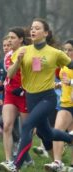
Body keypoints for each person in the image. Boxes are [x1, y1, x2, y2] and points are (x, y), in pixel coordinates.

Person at [0, 18, 73, 172]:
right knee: (46, 133)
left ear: (45, 33)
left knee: (27, 126)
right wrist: (18, 61)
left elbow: (70, 65)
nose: (33, 31)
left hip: (47, 98)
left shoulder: (55, 53)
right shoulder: (23, 51)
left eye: (37, 28)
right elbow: (10, 74)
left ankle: (16, 165)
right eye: (32, 28)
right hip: (30, 98)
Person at [0, 27, 34, 170]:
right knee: (7, 126)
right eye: (8, 38)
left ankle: (24, 158)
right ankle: (8, 160)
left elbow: (36, 72)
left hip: (25, 95)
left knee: (27, 130)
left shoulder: (31, 52)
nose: (9, 40)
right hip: (11, 94)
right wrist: (18, 61)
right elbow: (10, 74)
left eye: (12, 38)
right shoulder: (8, 55)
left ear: (21, 39)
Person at [44, 39, 73, 171]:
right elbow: (64, 81)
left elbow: (70, 81)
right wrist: (60, 84)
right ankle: (57, 162)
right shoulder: (64, 65)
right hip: (66, 103)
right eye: (65, 49)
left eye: (70, 50)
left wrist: (71, 82)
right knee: (57, 131)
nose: (67, 52)